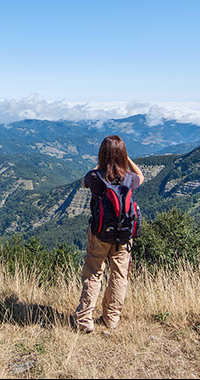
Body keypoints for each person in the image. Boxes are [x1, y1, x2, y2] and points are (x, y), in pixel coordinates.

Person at [74, 134, 145, 333]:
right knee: (119, 276)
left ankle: (84, 320)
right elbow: (141, 175)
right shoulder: (129, 178)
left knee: (94, 274)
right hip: (123, 237)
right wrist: (127, 159)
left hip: (99, 234)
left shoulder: (95, 178)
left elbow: (82, 182)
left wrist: (99, 164)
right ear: (123, 155)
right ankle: (111, 318)